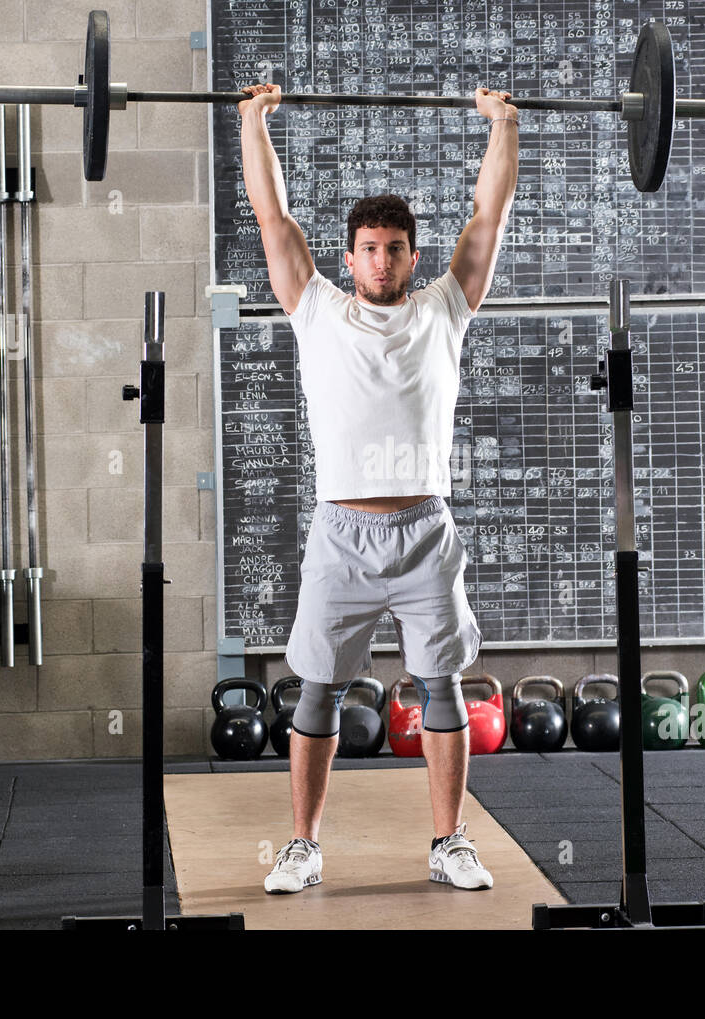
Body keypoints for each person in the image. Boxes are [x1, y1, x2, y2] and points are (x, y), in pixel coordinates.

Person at [237, 80, 519, 894]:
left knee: (441, 683)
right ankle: (302, 845)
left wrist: (501, 126)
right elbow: (273, 220)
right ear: (350, 252)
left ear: (412, 256)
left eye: (395, 248)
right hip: (341, 533)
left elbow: (487, 219)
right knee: (317, 686)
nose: (382, 260)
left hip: (425, 530)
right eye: (368, 247)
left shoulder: (445, 309)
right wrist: (254, 123)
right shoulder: (317, 310)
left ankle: (448, 842)